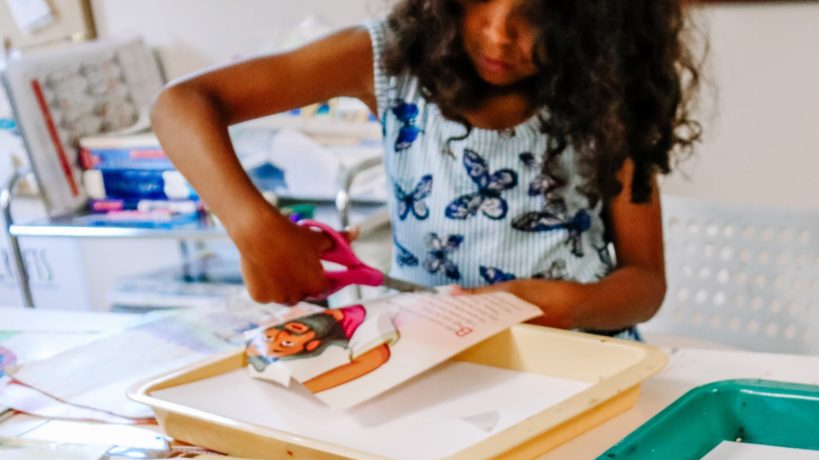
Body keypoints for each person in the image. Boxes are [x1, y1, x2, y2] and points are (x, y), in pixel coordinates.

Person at [151, 0, 703, 336]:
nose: (498, 33)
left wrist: (568, 306)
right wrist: (253, 227)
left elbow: (645, 284)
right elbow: (181, 104)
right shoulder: (387, 59)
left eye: (539, 14)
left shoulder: (611, 90)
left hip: (584, 364)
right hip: (437, 366)